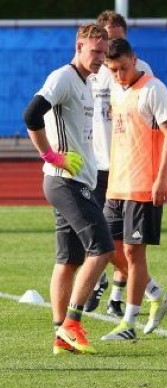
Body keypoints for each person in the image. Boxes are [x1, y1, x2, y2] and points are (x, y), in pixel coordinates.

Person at [22, 24, 114, 355]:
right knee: (102, 249)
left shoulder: (88, 81)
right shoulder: (63, 77)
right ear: (79, 47)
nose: (100, 58)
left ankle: (60, 335)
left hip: (73, 181)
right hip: (65, 181)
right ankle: (72, 324)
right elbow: (31, 114)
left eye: (104, 53)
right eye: (95, 52)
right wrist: (51, 155)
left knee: (69, 260)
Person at [98, 38, 167, 340]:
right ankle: (157, 294)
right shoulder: (116, 89)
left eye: (123, 68)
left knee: (133, 252)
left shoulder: (153, 89)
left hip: (143, 184)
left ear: (135, 60)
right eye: (113, 69)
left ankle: (128, 323)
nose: (119, 74)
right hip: (117, 183)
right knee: (104, 247)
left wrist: (161, 178)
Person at [85, 10, 155, 317]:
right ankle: (142, 291)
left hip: (129, 168)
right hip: (95, 164)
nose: (112, 45)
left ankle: (115, 296)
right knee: (97, 234)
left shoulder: (142, 71)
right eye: (107, 38)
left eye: (117, 38)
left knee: (126, 241)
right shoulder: (90, 70)